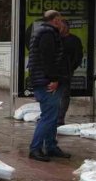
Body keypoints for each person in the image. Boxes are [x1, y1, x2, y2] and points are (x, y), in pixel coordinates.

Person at [27, 10, 70, 162]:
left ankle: (51, 146)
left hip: (43, 79)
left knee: (52, 116)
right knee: (48, 116)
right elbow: (48, 59)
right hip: (46, 82)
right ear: (55, 19)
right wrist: (53, 79)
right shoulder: (48, 34)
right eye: (60, 20)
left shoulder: (43, 32)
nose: (62, 23)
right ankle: (35, 148)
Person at [57, 21, 84, 126]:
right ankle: (52, 116)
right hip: (54, 71)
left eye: (62, 27)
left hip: (66, 72)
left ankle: (60, 118)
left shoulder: (74, 40)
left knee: (64, 94)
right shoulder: (56, 38)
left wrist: (71, 67)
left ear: (67, 27)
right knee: (53, 94)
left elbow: (78, 56)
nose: (60, 29)